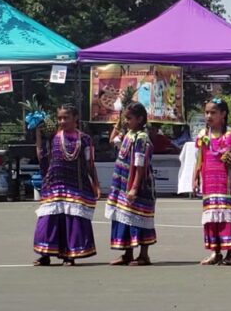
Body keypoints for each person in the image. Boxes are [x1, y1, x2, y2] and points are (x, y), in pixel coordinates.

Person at [32, 104, 100, 266]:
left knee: (73, 219)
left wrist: (96, 183)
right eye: (59, 118)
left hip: (76, 184)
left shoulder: (84, 139)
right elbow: (42, 156)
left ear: (75, 118)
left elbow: (89, 163)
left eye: (66, 117)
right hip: (54, 184)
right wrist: (38, 135)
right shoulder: (53, 137)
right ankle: (45, 254)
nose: (62, 121)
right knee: (48, 220)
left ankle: (70, 254)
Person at [193, 97, 231, 266]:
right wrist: (195, 178)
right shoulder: (202, 136)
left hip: (227, 184)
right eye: (207, 112)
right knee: (211, 218)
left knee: (227, 217)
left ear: (223, 114)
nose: (208, 116)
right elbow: (199, 159)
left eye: (213, 112)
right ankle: (215, 252)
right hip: (209, 182)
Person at [104, 102, 157, 266]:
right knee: (125, 218)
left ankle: (143, 255)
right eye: (125, 118)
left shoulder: (141, 138)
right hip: (122, 184)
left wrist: (134, 187)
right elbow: (112, 140)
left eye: (129, 118)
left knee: (139, 218)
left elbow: (140, 165)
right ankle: (128, 253)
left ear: (140, 119)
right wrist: (118, 123)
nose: (126, 121)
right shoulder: (128, 135)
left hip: (138, 186)